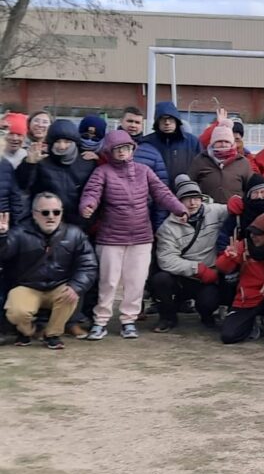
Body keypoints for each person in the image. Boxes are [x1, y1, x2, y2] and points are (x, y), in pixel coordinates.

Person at [79, 131, 187, 340]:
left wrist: (179, 208)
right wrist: (88, 205)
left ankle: (129, 320)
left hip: (141, 237)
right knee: (108, 282)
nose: (122, 152)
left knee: (136, 282)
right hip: (110, 238)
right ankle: (100, 321)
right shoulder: (102, 172)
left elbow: (161, 192)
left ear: (132, 150)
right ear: (109, 152)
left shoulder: (144, 171)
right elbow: (91, 192)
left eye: (126, 148)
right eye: (117, 149)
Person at [0, 193, 97, 349]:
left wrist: (76, 286)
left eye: (56, 212)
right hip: (27, 286)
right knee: (16, 311)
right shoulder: (19, 233)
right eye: (45, 212)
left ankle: (52, 334)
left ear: (62, 213)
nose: (51, 216)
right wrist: (2, 236)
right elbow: (3, 253)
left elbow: (88, 265)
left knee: (70, 295)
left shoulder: (75, 234)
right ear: (34, 214)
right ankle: (27, 331)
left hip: (59, 285)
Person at [150, 175, 229, 331]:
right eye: (186, 199)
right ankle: (168, 317)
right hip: (182, 275)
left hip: (209, 274)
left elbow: (235, 209)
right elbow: (166, 259)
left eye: (196, 198)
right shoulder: (168, 227)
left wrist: (236, 203)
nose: (192, 203)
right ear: (178, 201)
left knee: (209, 301)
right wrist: (197, 268)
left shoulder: (215, 211)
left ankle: (206, 315)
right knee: (160, 280)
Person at [214, 213, 264, 345]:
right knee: (228, 336)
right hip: (247, 298)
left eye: (258, 234)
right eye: (252, 232)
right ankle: (252, 324)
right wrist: (229, 257)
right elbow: (222, 268)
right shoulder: (243, 245)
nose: (253, 236)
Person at [15, 119, 96, 229]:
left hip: (80, 226)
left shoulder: (88, 162)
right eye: (57, 141)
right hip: (46, 223)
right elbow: (23, 185)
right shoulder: (41, 161)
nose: (62, 146)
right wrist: (29, 164)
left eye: (67, 142)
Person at [140, 101, 202, 189]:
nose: (167, 123)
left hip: (186, 192)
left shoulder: (192, 142)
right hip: (155, 192)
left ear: (177, 120)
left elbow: (201, 167)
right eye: (163, 119)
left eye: (171, 118)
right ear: (157, 122)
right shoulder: (147, 142)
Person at [188, 123, 253, 204]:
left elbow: (250, 188)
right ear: (213, 143)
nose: (223, 145)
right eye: (219, 141)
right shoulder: (201, 160)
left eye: (226, 141)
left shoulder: (243, 162)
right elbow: (190, 184)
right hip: (207, 208)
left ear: (232, 143)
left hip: (234, 209)